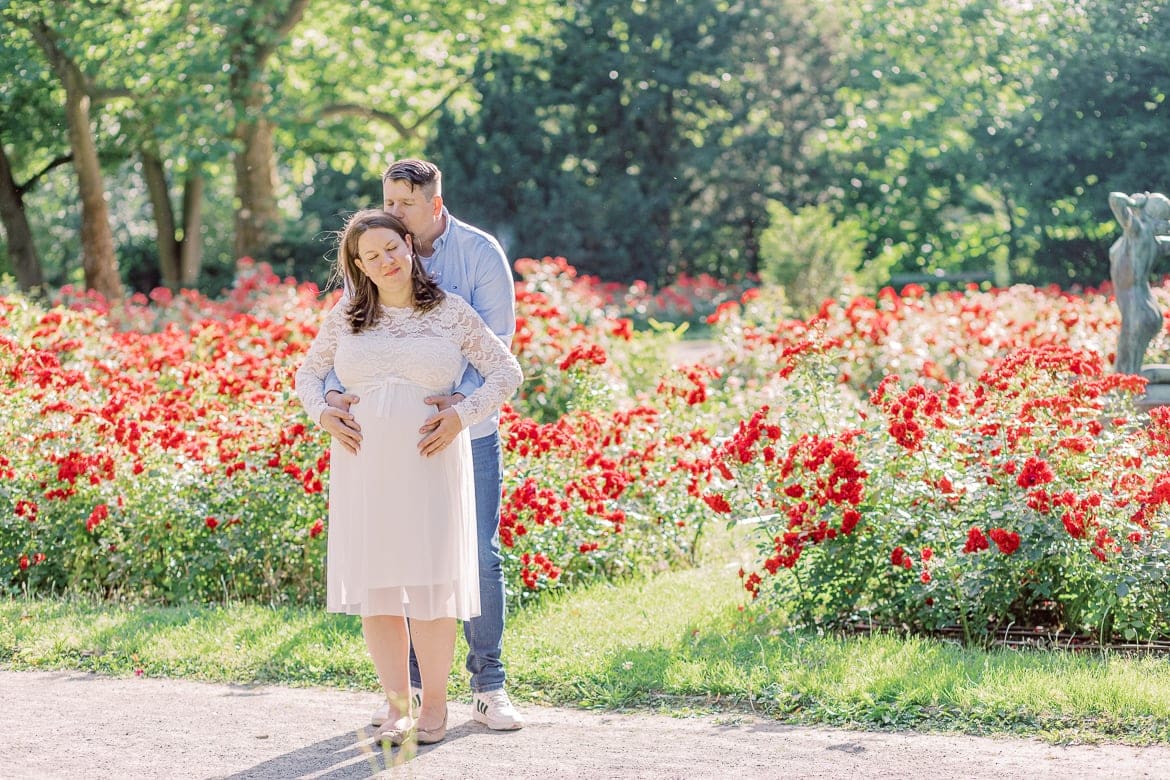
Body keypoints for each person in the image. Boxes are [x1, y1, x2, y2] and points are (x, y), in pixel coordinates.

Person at [296, 209, 522, 746]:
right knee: (377, 589)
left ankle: (435, 707)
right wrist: (323, 412)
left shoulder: (450, 311)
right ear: (359, 266)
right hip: (363, 466)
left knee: (429, 589)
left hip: (430, 463)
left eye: (391, 248)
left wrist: (462, 413)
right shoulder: (347, 314)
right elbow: (308, 373)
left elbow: (506, 371)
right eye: (371, 256)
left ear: (408, 243)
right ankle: (399, 706)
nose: (386, 262)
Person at [1109, 191, 1170, 375]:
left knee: (1128, 377)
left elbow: (1115, 199)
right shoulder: (1154, 242)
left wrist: (1135, 203)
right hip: (1141, 307)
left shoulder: (1138, 232)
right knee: (1124, 373)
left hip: (1137, 310)